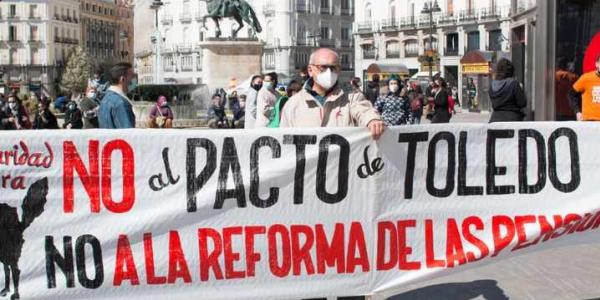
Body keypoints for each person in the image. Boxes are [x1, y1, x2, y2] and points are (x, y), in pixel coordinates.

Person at [280, 48, 385, 140]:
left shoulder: (352, 98)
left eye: (334, 68)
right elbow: (284, 141)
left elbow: (364, 110)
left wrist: (372, 119)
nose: (329, 72)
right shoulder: (293, 104)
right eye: (323, 67)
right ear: (310, 70)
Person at [98, 62, 137, 129]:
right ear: (122, 79)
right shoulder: (121, 103)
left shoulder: (105, 99)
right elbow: (129, 135)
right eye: (132, 76)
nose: (134, 80)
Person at [489, 58, 527, 123]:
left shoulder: (492, 85)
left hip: (494, 120)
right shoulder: (513, 83)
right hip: (512, 119)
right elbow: (522, 103)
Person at [569, 54, 600, 121]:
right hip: (590, 121)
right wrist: (577, 112)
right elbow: (571, 94)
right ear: (597, 64)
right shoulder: (586, 78)